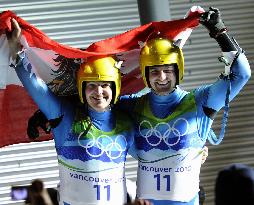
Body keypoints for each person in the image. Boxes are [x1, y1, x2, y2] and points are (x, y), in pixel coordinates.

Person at [116, 7, 251, 205]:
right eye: (154, 71)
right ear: (145, 73)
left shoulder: (200, 101)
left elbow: (242, 74)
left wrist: (219, 32)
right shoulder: (132, 105)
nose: (161, 78)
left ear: (177, 69)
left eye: (167, 70)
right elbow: (92, 100)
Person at [7, 18, 146, 205]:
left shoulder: (125, 123)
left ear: (115, 89)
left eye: (105, 85)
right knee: (28, 193)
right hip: (52, 196)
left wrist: (194, 152)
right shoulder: (65, 118)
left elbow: (153, 157)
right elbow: (37, 89)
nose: (98, 92)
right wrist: (17, 54)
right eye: (92, 85)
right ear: (82, 88)